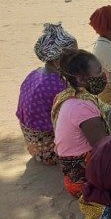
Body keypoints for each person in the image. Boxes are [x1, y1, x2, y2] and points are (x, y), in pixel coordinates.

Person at [17, 23, 77, 165]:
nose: (77, 57)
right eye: (74, 54)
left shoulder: (35, 74)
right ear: (57, 61)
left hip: (33, 144)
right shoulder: (59, 84)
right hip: (48, 149)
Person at [52, 50, 110, 197]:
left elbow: (107, 112)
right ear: (81, 79)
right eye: (98, 72)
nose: (103, 75)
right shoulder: (82, 107)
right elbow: (105, 148)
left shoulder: (68, 94)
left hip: (72, 172)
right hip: (83, 183)